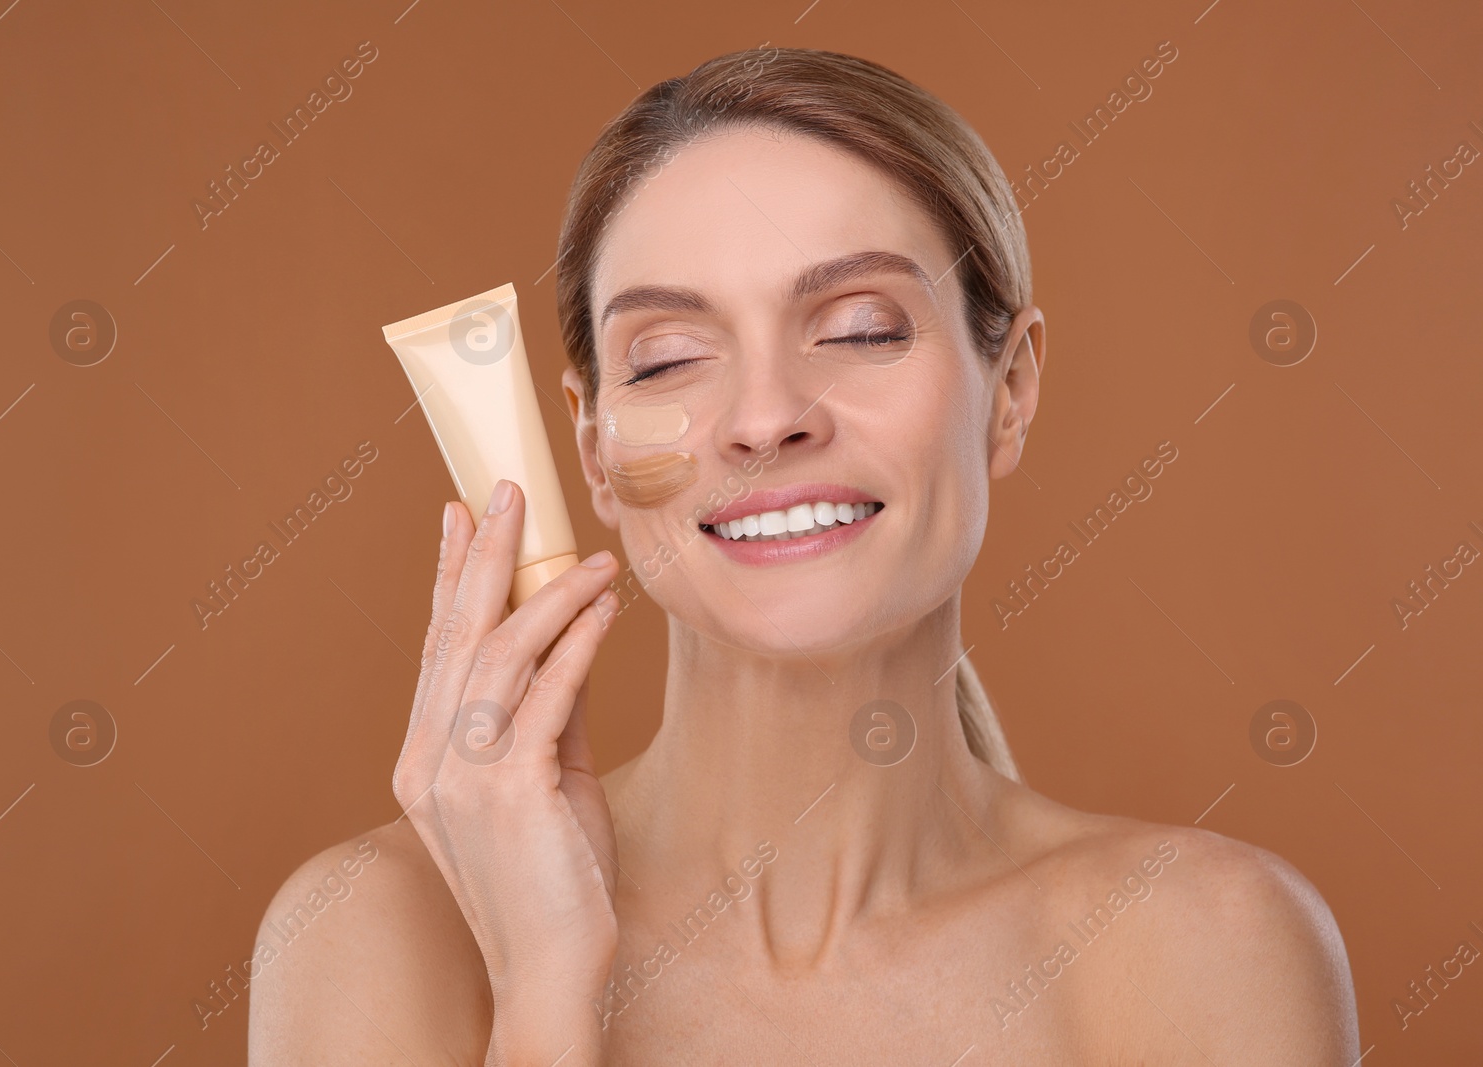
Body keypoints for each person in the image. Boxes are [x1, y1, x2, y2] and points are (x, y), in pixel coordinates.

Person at [250, 47, 1359, 1064]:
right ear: (591, 448)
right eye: (671, 357)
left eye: (860, 329)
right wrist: (544, 985)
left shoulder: (1203, 944)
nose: (764, 415)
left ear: (1009, 391)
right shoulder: (374, 932)